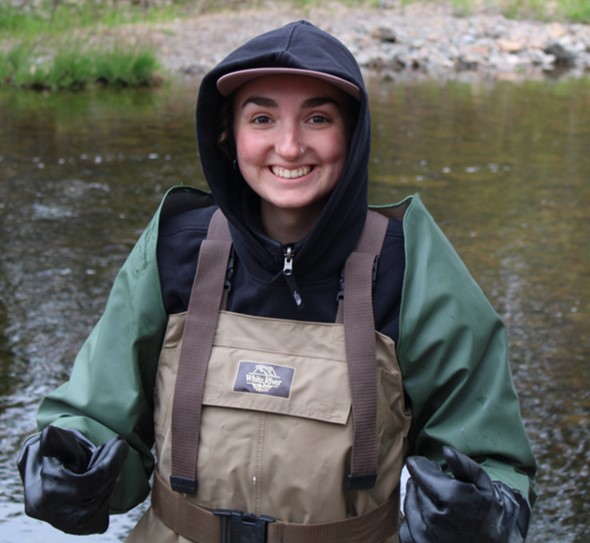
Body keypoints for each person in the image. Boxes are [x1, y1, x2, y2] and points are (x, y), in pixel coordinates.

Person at [17, 20, 536, 543]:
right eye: (262, 117)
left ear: (353, 135)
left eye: (317, 117)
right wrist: (69, 467)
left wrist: (487, 513)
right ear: (229, 133)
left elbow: (488, 457)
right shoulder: (175, 247)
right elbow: (98, 418)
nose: (288, 147)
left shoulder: (410, 261)